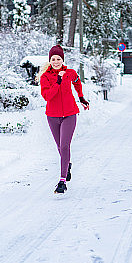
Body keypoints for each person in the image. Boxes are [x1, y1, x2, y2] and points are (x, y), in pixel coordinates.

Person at [38, 45, 90, 193]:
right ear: (50, 61)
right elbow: (47, 96)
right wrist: (58, 82)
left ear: (62, 60)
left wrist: (81, 97)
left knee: (65, 145)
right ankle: (67, 164)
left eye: (58, 59)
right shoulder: (45, 77)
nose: (56, 62)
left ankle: (62, 180)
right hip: (52, 116)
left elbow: (77, 81)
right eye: (53, 59)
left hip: (69, 114)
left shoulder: (70, 73)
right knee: (60, 147)